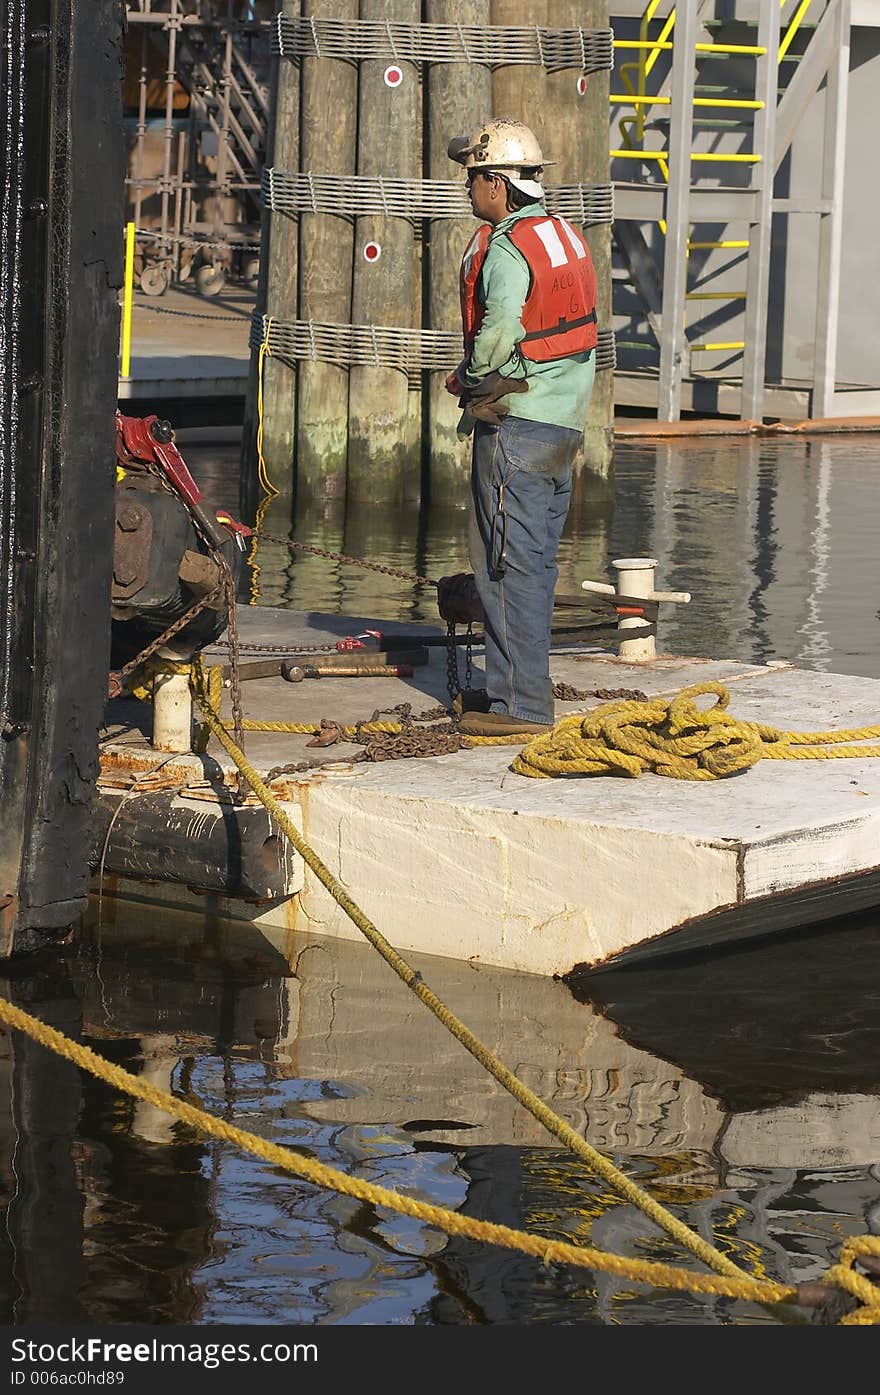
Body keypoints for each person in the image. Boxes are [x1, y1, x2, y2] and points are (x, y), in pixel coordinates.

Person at [445, 117, 597, 737]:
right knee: (534, 563)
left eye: (474, 176)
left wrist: (472, 376)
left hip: (519, 429)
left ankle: (522, 707)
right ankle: (513, 689)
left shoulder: (508, 248)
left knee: (506, 567)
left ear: (497, 184)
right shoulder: (568, 237)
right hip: (564, 425)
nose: (468, 188)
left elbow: (502, 326)